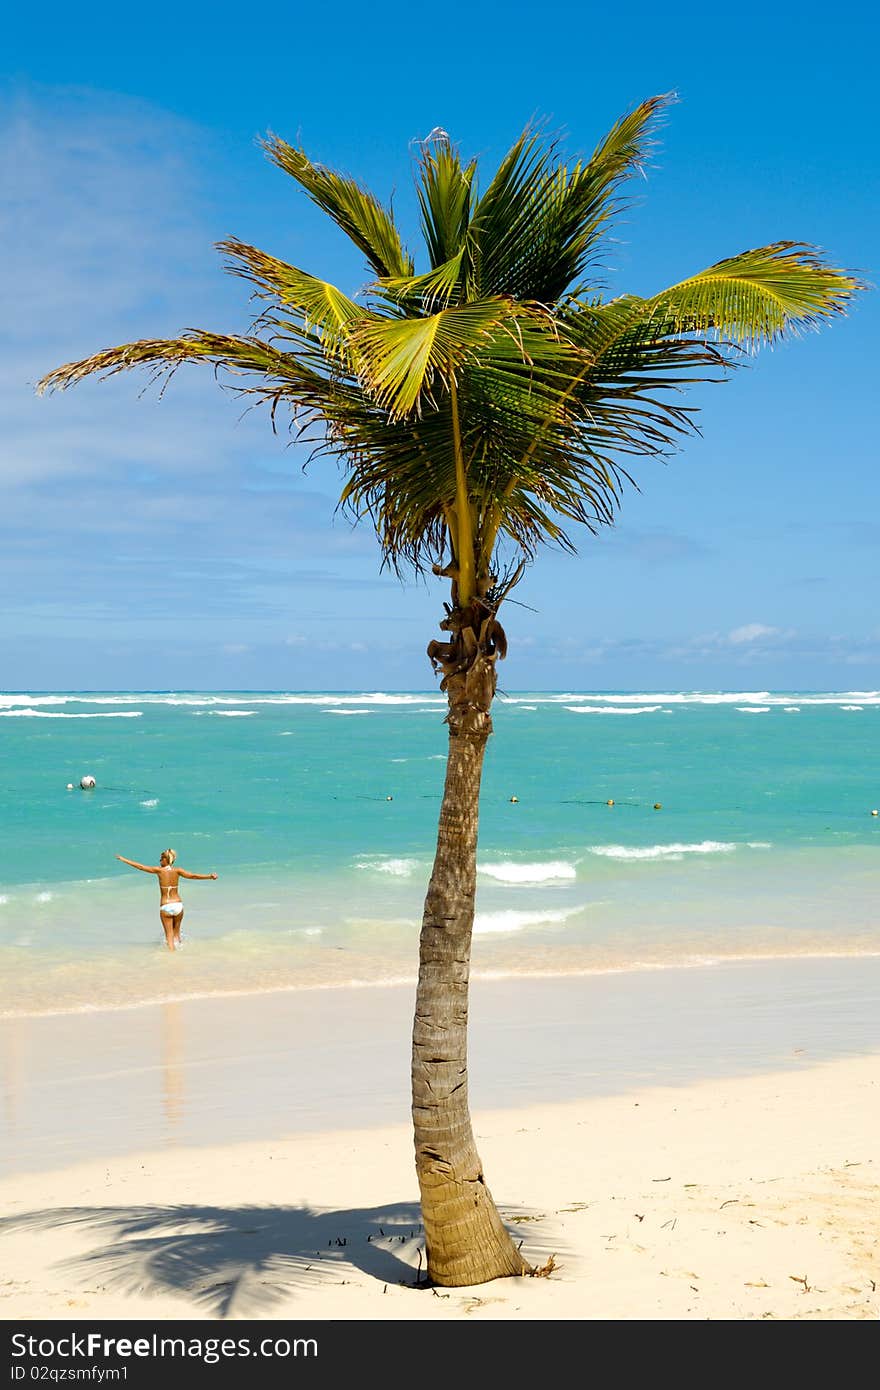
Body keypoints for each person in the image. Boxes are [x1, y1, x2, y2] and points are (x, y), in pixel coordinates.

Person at [115, 848, 217, 951]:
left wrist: (123, 859)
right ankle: (183, 956)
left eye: (160, 859)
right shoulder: (178, 870)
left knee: (169, 937)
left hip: (166, 906)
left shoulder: (159, 870)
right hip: (178, 905)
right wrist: (209, 876)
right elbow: (193, 876)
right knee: (176, 935)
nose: (159, 861)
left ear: (165, 859)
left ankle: (172, 960)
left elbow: (141, 867)